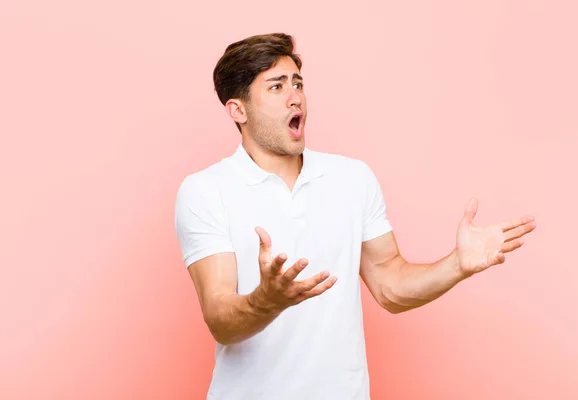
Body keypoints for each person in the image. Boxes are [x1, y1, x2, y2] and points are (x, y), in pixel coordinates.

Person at [174, 33, 537, 400]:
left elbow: (391, 287)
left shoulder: (352, 178)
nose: (295, 96)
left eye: (297, 83)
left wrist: (457, 264)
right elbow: (219, 317)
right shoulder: (206, 190)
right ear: (239, 110)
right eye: (276, 86)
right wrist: (267, 299)